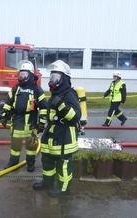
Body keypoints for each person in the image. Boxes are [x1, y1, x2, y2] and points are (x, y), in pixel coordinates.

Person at [32, 60, 81, 197]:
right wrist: (42, 125)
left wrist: (61, 106)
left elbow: (75, 117)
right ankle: (47, 182)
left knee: (63, 164)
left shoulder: (70, 94)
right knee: (47, 160)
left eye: (56, 78)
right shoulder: (55, 94)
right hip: (52, 136)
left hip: (64, 137)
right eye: (51, 77)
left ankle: (64, 189)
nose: (52, 81)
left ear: (64, 79)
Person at [1, 60, 47, 172]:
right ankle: (13, 162)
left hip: (30, 123)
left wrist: (41, 122)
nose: (22, 77)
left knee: (31, 147)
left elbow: (44, 107)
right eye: (20, 74)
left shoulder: (36, 90)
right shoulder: (15, 89)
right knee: (15, 146)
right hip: (16, 121)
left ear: (30, 75)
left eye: (25, 74)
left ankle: (30, 164)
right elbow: (8, 102)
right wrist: (4, 115)